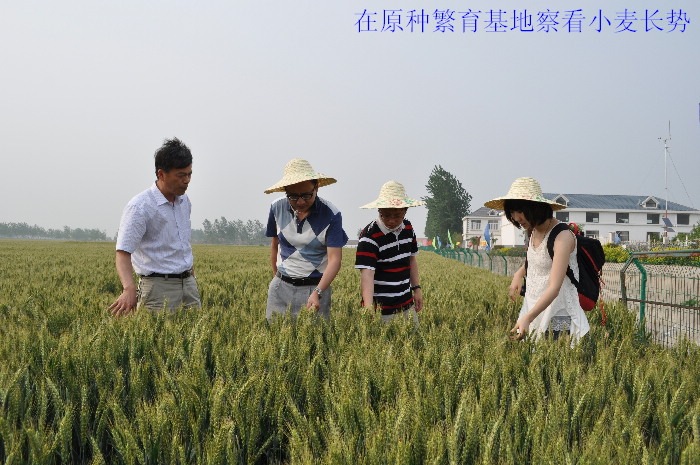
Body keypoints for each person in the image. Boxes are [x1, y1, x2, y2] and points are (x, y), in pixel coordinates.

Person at [484, 177, 590, 341]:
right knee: (534, 352)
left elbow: (554, 287)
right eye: (512, 212)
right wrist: (519, 274)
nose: (516, 218)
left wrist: (528, 317)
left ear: (536, 207)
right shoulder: (533, 230)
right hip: (533, 307)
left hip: (558, 312)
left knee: (556, 352)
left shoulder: (562, 237)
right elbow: (537, 259)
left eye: (520, 211)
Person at [109, 138, 201, 316]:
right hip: (158, 289)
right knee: (159, 334)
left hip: (188, 285)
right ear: (161, 174)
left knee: (193, 330)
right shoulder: (140, 206)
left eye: (189, 174)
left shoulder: (184, 201)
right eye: (181, 175)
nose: (187, 180)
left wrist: (190, 274)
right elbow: (123, 251)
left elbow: (182, 243)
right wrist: (129, 288)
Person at [264, 158, 348, 320]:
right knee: (274, 332)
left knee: (315, 334)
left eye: (307, 195)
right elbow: (275, 244)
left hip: (315, 288)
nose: (300, 202)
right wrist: (277, 279)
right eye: (293, 196)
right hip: (281, 288)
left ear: (316, 187)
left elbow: (335, 260)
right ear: (286, 191)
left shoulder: (331, 213)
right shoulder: (276, 207)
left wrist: (318, 292)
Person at [355, 181, 424, 323]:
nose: (391, 220)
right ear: (379, 210)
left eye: (397, 215)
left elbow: (411, 260)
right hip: (381, 310)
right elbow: (367, 275)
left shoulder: (408, 228)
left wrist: (416, 289)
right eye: (386, 215)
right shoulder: (369, 236)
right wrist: (368, 308)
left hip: (406, 304)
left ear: (405, 211)